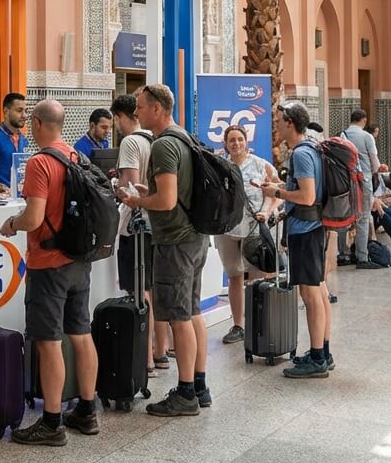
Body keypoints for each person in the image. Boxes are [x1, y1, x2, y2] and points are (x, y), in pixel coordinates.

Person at [0, 99, 100, 445]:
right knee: (81, 334)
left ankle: (52, 422)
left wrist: (12, 224)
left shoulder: (40, 162)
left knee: (49, 341)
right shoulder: (76, 156)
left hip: (48, 264)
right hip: (78, 261)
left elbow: (34, 218)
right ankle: (87, 410)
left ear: (39, 123)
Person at [120, 84, 212, 414]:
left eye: (141, 107)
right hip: (195, 238)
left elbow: (167, 201)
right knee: (192, 311)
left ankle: (185, 393)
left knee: (178, 317)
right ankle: (199, 386)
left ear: (157, 108)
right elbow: (174, 193)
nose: (136, 113)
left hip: (175, 242)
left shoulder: (163, 145)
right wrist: (151, 193)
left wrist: (137, 200)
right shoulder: (184, 137)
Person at [262, 102, 332, 378]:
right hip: (314, 227)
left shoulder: (301, 154)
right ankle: (323, 351)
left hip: (305, 230)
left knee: (310, 294)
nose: (276, 125)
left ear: (290, 122)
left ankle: (317, 358)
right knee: (320, 291)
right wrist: (281, 189)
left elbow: (307, 196)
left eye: (279, 120)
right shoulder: (312, 148)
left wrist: (278, 194)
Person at [108, 94, 163, 376]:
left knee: (140, 290)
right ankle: (160, 351)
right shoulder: (156, 139)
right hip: (157, 222)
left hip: (137, 224)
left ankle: (146, 358)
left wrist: (115, 184)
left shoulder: (130, 142)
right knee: (153, 288)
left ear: (122, 116)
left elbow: (130, 184)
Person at [214, 125, 280, 344]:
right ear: (225, 144)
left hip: (253, 228)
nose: (236, 144)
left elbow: (276, 190)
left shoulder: (261, 165)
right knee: (234, 275)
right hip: (227, 229)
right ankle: (238, 325)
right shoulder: (221, 166)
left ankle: (258, 323)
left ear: (246, 141)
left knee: (256, 276)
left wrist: (266, 211)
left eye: (240, 139)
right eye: (232, 140)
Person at [337, 110, 383, 270]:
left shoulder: (342, 136)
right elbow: (375, 164)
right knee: (363, 218)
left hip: (346, 183)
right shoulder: (367, 137)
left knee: (344, 218)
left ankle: (343, 255)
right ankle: (362, 257)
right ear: (363, 120)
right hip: (364, 182)